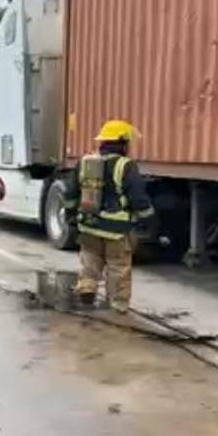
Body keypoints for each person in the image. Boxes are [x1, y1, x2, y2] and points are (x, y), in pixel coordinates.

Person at [63, 120, 155, 315]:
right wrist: (148, 219)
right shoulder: (126, 166)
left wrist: (71, 217)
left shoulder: (85, 162)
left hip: (88, 225)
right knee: (118, 267)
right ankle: (118, 305)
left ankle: (87, 287)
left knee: (90, 260)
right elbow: (138, 198)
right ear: (123, 143)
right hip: (116, 230)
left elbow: (70, 193)